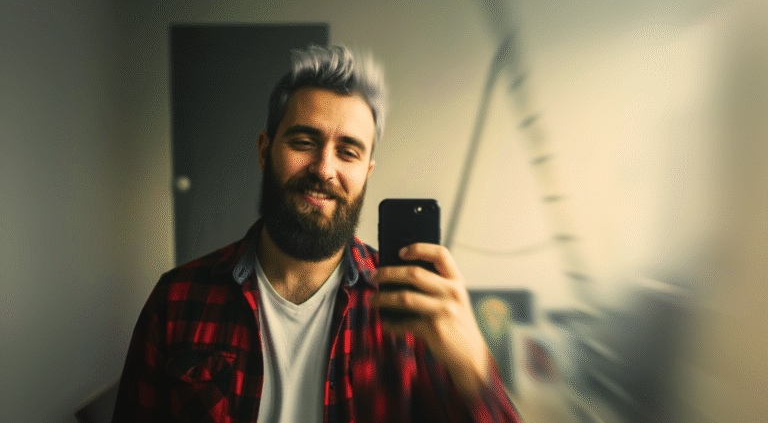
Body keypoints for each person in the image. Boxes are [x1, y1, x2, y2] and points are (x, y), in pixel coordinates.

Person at [112, 44, 521, 423]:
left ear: (367, 173)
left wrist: (473, 368)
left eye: (348, 151)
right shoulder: (177, 301)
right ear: (264, 151)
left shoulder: (413, 310)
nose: (324, 168)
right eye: (304, 141)